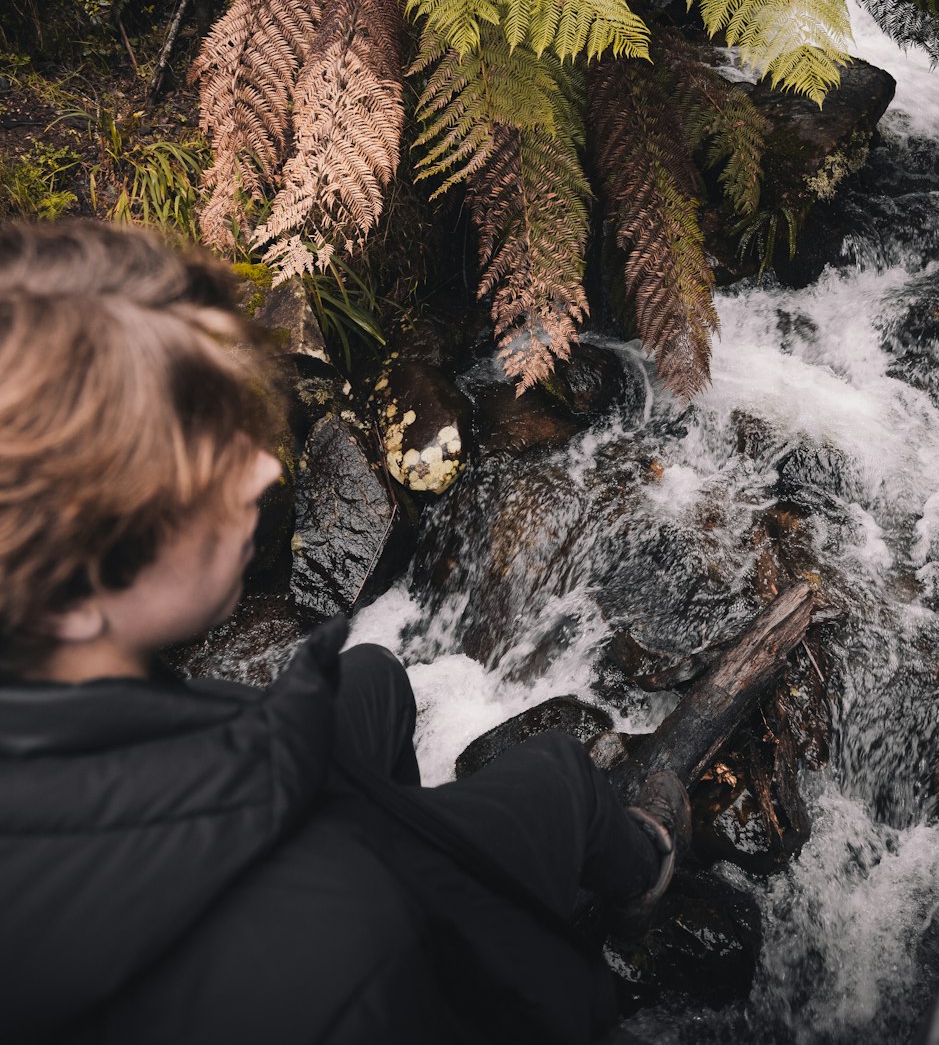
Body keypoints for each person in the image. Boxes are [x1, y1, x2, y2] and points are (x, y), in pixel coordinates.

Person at [0, 220, 690, 1045]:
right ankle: (644, 872)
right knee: (562, 777)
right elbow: (543, 1002)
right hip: (367, 878)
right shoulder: (343, 960)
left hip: (259, 794)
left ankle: (407, 809)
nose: (260, 466)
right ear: (74, 593)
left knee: (373, 677)